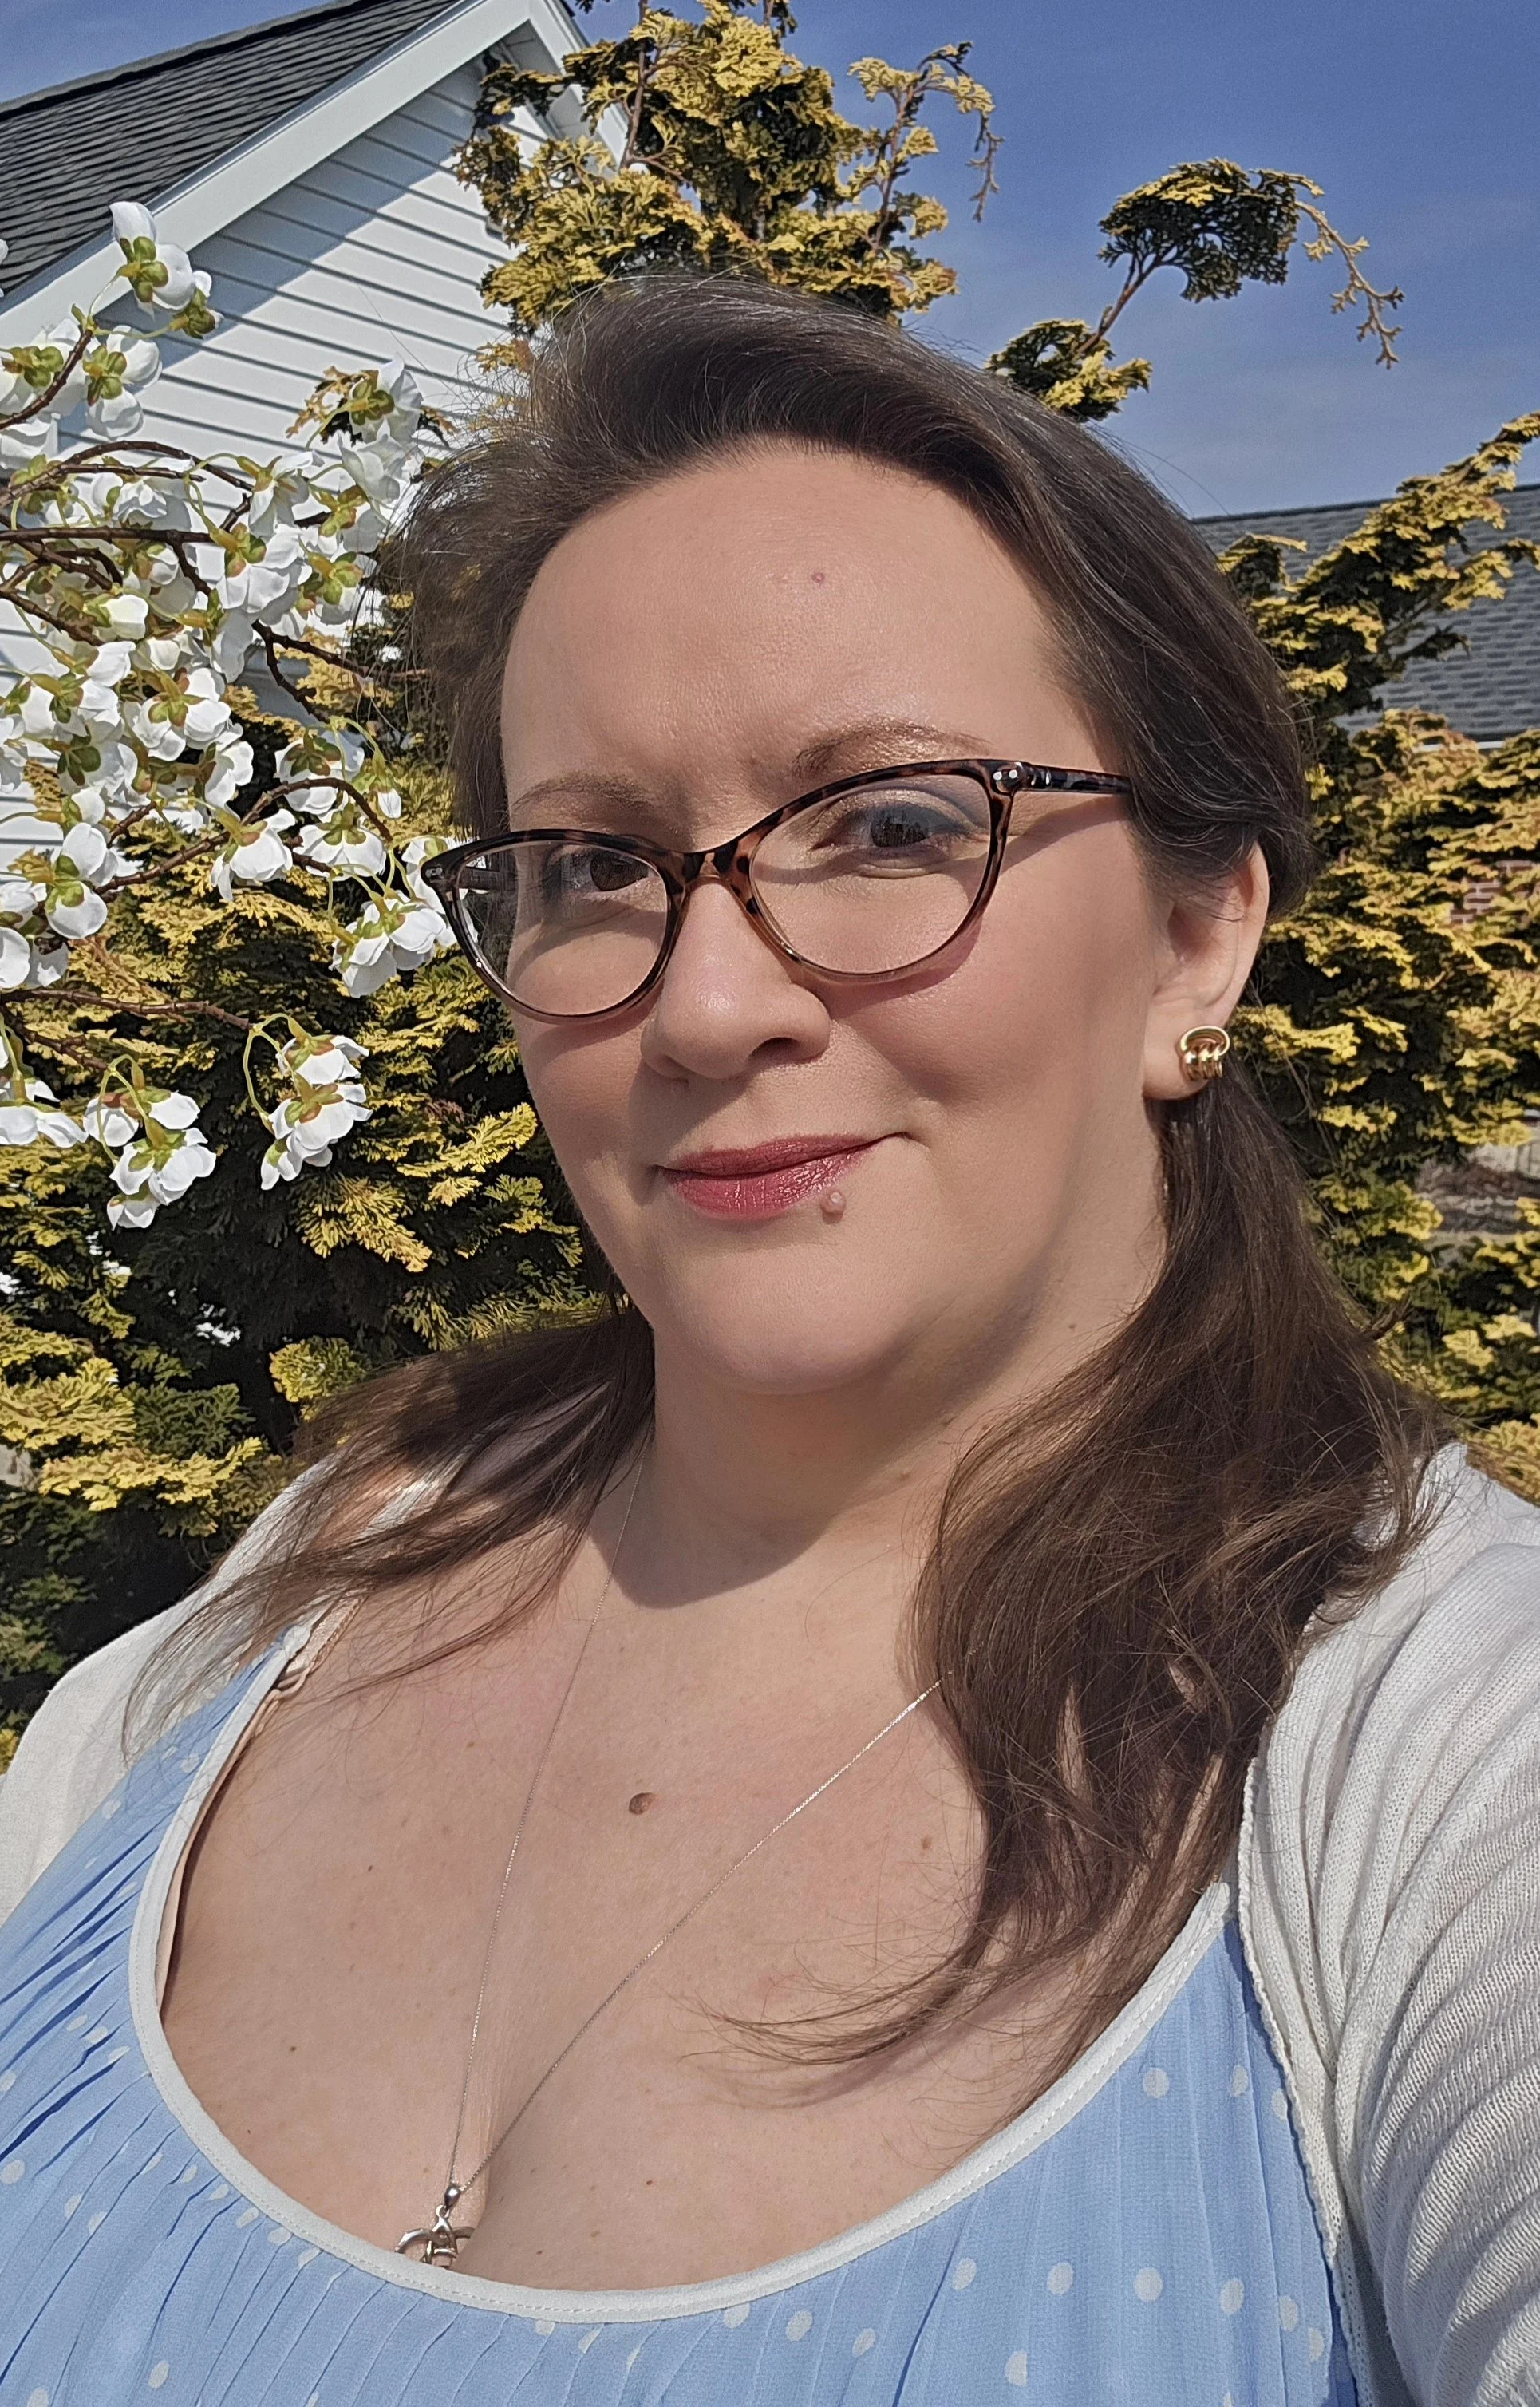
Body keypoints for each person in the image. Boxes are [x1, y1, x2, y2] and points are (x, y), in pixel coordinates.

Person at [1, 275, 1537, 2407]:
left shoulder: (1450, 1761)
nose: (711, 1008)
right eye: (595, 867)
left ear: (1203, 934)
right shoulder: (294, 1599)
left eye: (896, 823)